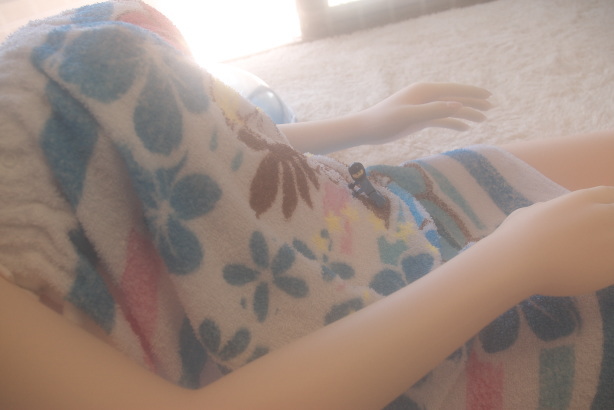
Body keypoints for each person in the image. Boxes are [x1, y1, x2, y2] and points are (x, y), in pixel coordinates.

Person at [1, 2, 613, 409]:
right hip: (376, 350)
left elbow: (201, 146)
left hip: (358, 210)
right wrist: (511, 264)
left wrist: (364, 124)